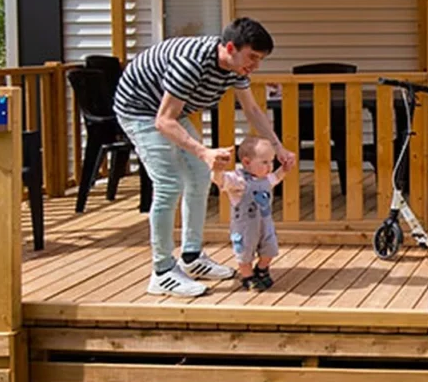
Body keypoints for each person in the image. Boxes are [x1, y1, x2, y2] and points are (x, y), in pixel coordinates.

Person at [113, 17, 296, 298]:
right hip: (140, 110)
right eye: (252, 57)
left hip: (171, 112)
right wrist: (203, 151)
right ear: (231, 47)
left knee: (199, 176)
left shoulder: (236, 68)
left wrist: (278, 147)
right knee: (169, 183)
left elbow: (253, 111)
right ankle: (161, 272)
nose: (256, 66)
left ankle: (191, 256)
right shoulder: (192, 64)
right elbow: (163, 121)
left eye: (260, 59)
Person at [212, 137, 289, 291]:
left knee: (270, 249)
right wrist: (218, 170)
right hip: (245, 228)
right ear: (247, 162)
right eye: (264, 162)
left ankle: (261, 269)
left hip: (265, 224)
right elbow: (220, 181)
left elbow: (277, 177)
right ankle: (248, 277)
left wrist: (284, 169)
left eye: (271, 161)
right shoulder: (238, 180)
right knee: (245, 254)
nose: (270, 166)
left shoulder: (265, 179)